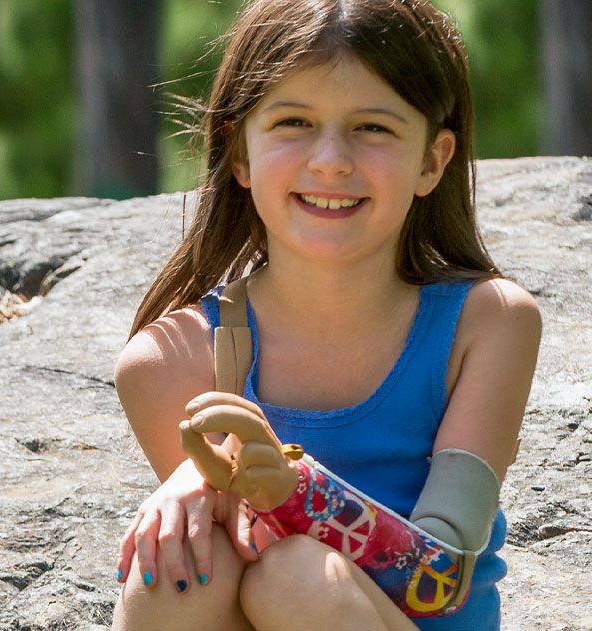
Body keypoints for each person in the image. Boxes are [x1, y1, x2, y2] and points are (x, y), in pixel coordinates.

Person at [109, 0, 541, 629]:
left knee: (296, 580)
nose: (331, 160)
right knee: (176, 567)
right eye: (293, 122)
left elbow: (439, 581)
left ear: (432, 160)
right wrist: (194, 494)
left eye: (373, 128)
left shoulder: (488, 324)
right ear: (239, 155)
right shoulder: (169, 360)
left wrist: (293, 493)